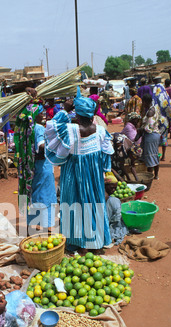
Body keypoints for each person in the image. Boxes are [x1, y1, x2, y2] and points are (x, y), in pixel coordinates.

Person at [44, 87, 114, 253]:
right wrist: (102, 173)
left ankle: (77, 242)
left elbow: (51, 126)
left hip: (73, 175)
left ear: (78, 114)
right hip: (94, 177)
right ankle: (95, 243)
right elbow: (106, 157)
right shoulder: (101, 132)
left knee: (73, 205)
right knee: (94, 205)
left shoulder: (70, 130)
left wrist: (65, 109)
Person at [14, 104, 57, 233]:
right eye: (40, 112)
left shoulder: (23, 128)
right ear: (33, 115)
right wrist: (54, 145)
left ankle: (29, 227)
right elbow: (41, 146)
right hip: (42, 167)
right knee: (45, 196)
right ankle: (45, 228)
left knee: (31, 195)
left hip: (28, 167)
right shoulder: (38, 128)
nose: (43, 114)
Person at [137, 93, 161, 180]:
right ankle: (156, 175)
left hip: (151, 135)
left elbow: (148, 127)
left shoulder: (150, 112)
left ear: (146, 102)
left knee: (150, 155)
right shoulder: (154, 108)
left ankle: (149, 177)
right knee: (154, 154)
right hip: (155, 135)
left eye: (143, 102)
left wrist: (140, 129)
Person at [152, 82, 171, 161]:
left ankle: (156, 155)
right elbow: (170, 107)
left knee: (155, 138)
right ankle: (163, 155)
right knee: (164, 138)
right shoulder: (165, 97)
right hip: (164, 121)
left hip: (156, 121)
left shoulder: (154, 96)